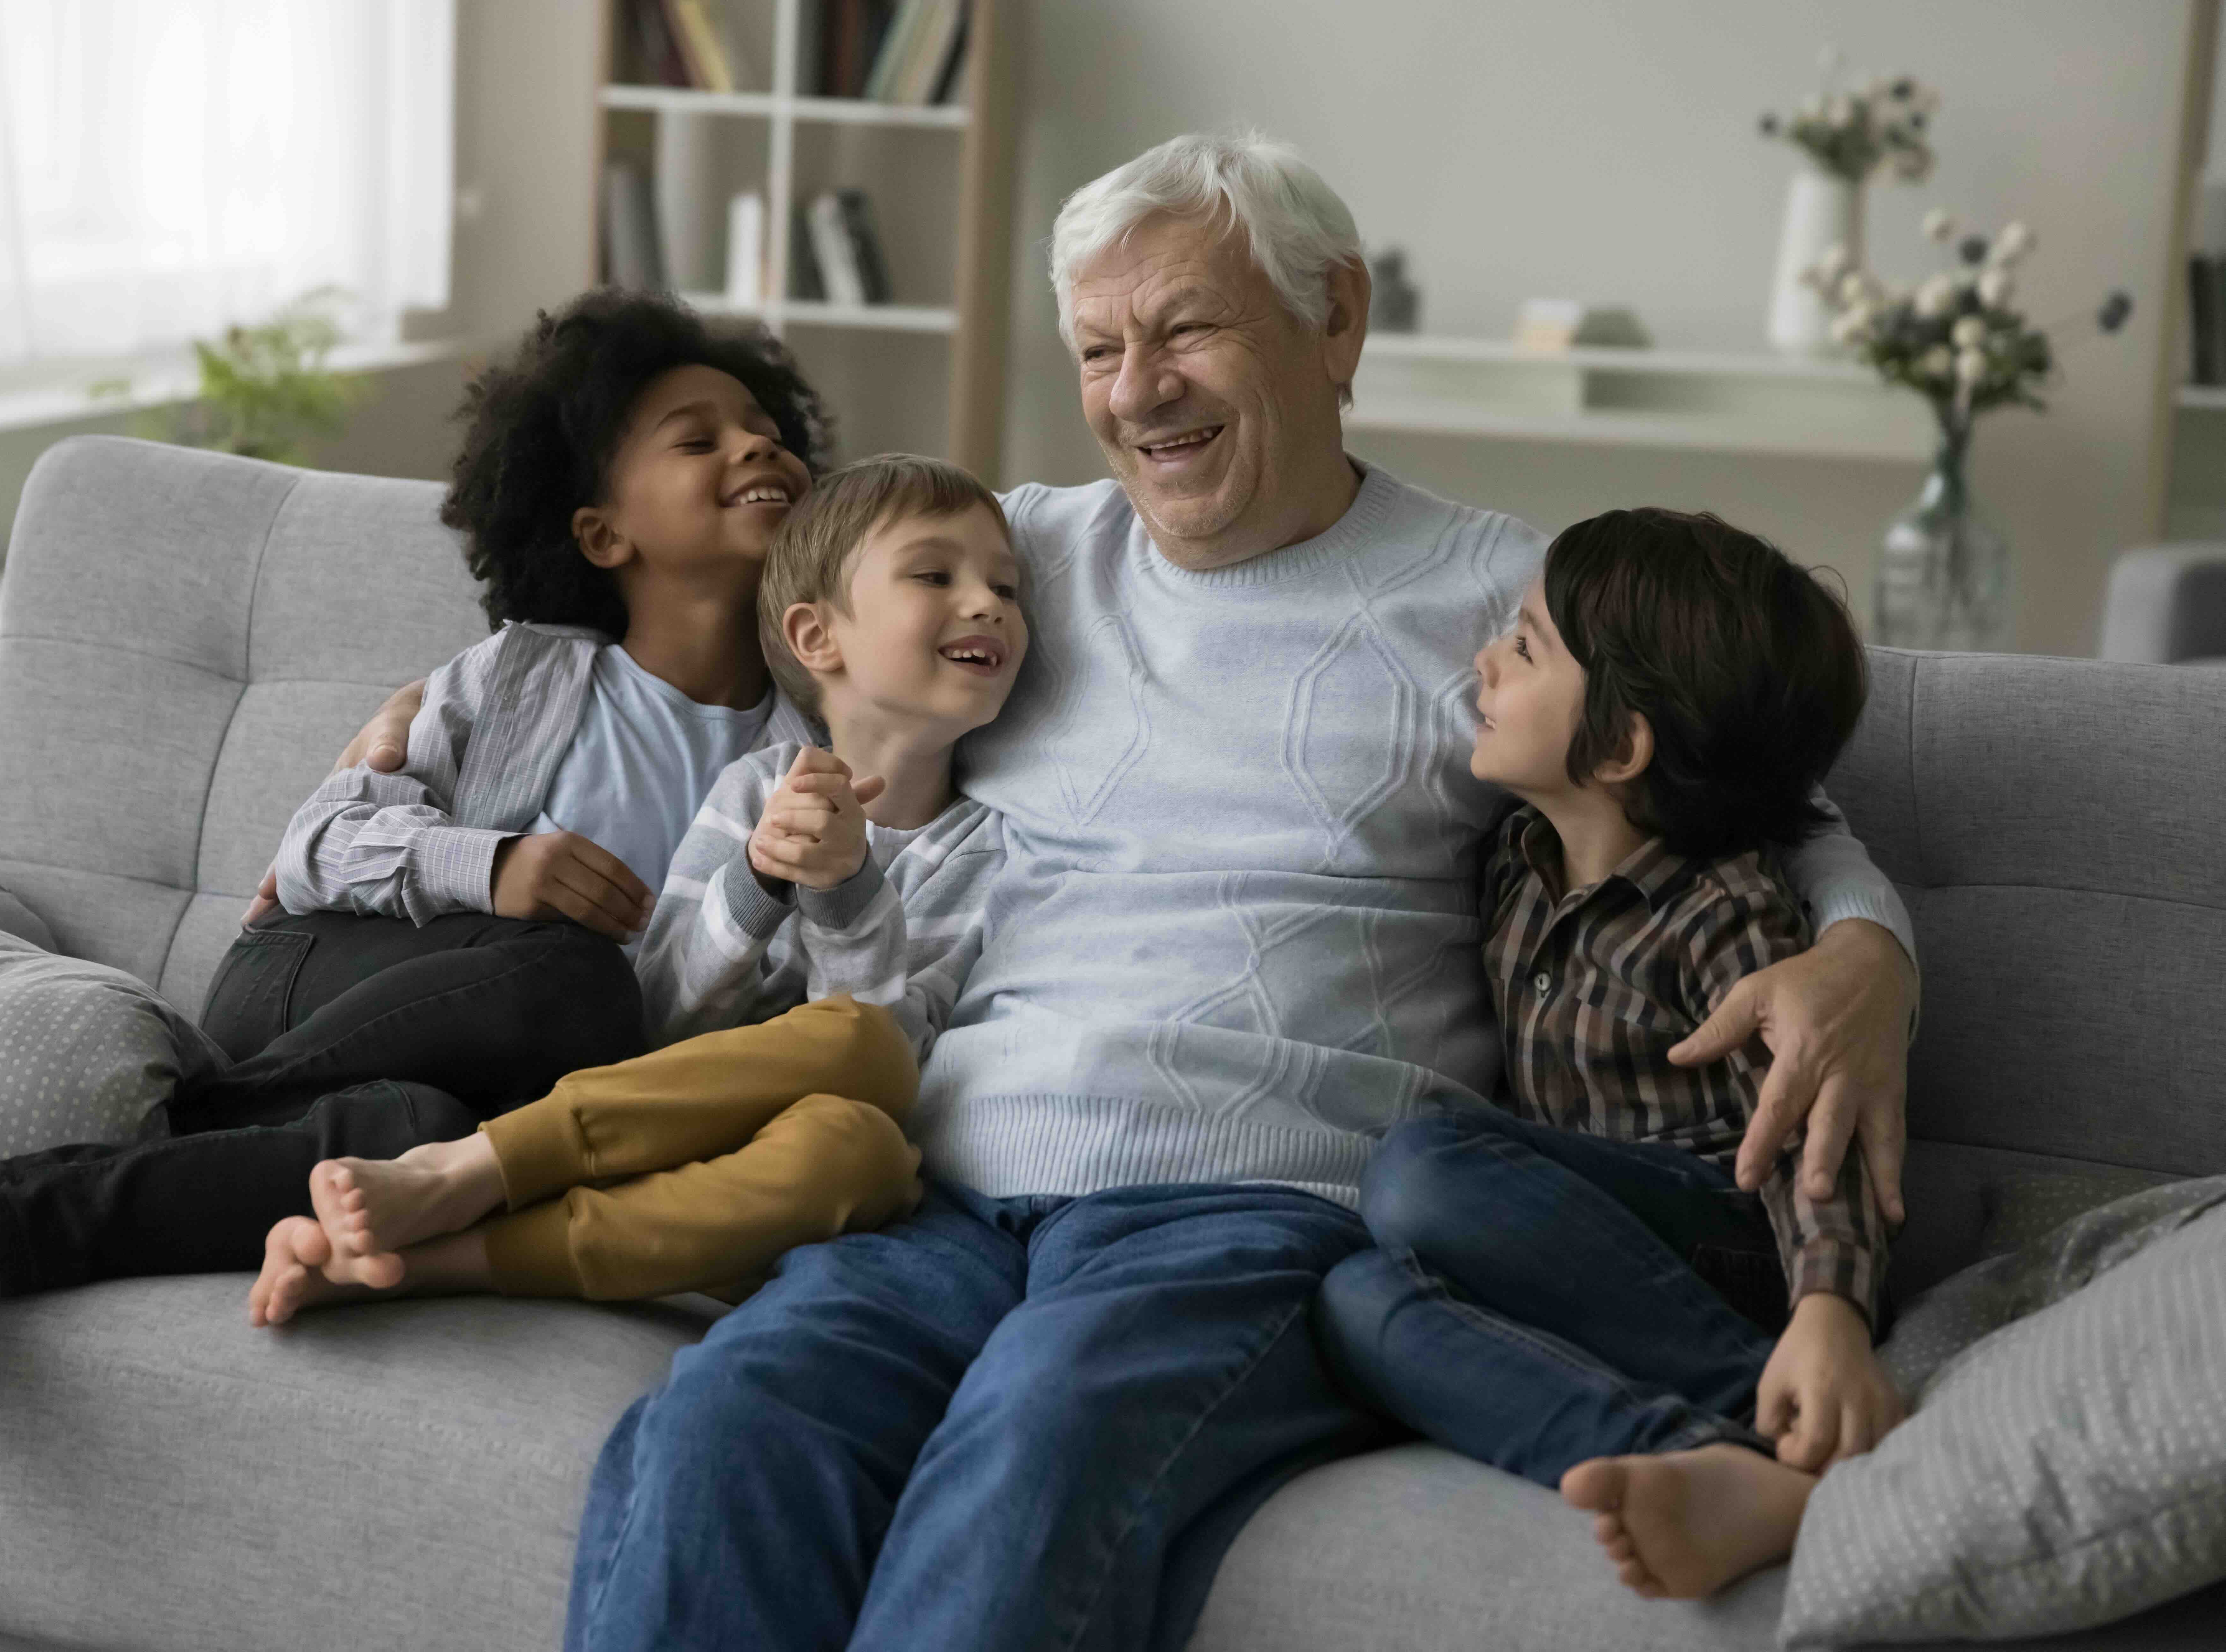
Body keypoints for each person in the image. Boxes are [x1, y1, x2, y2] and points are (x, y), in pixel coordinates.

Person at [264, 135, 1924, 1652]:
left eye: (1185, 332)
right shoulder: (1022, 555)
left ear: (1331, 321)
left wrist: (1865, 957)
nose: (1138, 394)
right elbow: (788, 642)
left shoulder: (1503, 596)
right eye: (1097, 351)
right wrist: (455, 726)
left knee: (1024, 1477)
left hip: (1243, 1209)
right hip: (940, 1186)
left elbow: (1758, 794)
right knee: (720, 1432)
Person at [0, 289, 832, 1407]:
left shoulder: (803, 753)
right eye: (699, 437)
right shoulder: (521, 681)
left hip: (483, 1087)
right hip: (312, 973)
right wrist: (498, 867)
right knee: (572, 974)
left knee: (424, 1140)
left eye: (763, 426)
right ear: (602, 533)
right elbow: (320, 840)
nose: (755, 442)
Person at [245, 454, 1027, 1325]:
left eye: (1008, 585)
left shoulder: (987, 849)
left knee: (870, 1145)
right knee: (858, 1070)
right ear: (818, 638)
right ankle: (468, 1170)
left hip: (758, 1180)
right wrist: (761, 875)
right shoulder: (751, 788)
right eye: (936, 574)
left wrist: (845, 889)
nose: (990, 601)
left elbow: (885, 1063)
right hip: (642, 1123)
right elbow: (664, 1013)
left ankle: (432, 1259)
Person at [1313, 507, 1904, 1603]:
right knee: (1352, 1299)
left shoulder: (1724, 914)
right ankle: (1712, 1456)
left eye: (1524, 647)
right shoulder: (1514, 856)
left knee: (1421, 1169)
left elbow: (1809, 1133)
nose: (1483, 660)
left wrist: (1833, 1310)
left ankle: (1791, 1408)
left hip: (1732, 1239)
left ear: (1623, 747)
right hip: (1579, 1254)